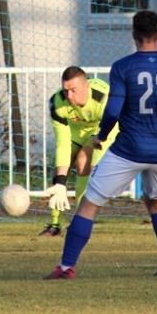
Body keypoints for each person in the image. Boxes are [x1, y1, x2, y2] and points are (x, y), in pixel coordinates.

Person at [44, 10, 157, 279]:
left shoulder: (123, 67)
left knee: (89, 204)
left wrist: (102, 135)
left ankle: (66, 267)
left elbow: (114, 110)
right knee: (156, 201)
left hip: (130, 149)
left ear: (134, 35)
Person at [39, 66, 118, 237]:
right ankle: (54, 224)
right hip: (74, 133)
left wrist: (95, 145)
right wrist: (60, 183)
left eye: (73, 90)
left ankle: (79, 222)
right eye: (65, 90)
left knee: (83, 162)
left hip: (102, 131)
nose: (69, 96)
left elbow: (110, 127)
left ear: (86, 86)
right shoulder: (58, 102)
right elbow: (62, 143)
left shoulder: (103, 99)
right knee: (60, 171)